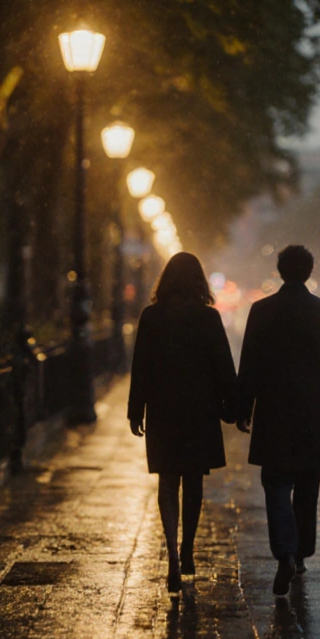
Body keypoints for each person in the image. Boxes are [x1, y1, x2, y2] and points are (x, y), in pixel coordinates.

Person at [234, 245, 320, 596]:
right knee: (307, 487)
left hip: (275, 411)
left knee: (277, 484)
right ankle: (300, 553)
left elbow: (250, 364)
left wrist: (243, 407)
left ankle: (283, 550)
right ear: (309, 273)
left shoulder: (262, 310)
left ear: (281, 271)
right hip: (313, 412)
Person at [128, 252, 237, 593]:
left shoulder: (152, 317)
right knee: (193, 480)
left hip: (164, 409)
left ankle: (172, 554)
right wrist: (232, 406)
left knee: (167, 480)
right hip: (198, 410)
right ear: (199, 282)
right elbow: (223, 366)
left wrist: (136, 409)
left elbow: (140, 366)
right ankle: (189, 547)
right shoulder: (208, 319)